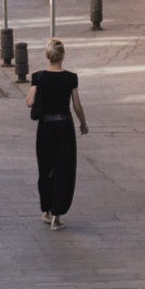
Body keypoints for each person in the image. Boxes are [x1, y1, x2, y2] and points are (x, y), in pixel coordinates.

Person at [26, 38, 88, 228]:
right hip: (64, 128)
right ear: (63, 55)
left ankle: (46, 210)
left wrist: (37, 90)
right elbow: (77, 105)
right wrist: (83, 123)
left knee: (45, 169)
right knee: (63, 169)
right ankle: (57, 216)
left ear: (47, 56)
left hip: (45, 128)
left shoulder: (38, 77)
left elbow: (29, 102)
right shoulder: (71, 78)